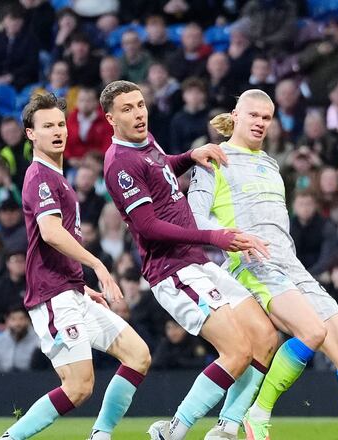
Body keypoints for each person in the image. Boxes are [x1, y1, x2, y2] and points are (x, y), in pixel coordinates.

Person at [192, 89, 338, 440]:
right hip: (251, 262)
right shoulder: (214, 160)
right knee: (311, 331)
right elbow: (194, 220)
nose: (261, 123)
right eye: (253, 115)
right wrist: (230, 239)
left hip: (290, 263)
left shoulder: (270, 163)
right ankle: (258, 415)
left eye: (267, 118)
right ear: (235, 115)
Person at [98, 81, 278, 440]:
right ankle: (173, 431)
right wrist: (214, 237)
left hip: (197, 261)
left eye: (140, 105)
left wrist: (187, 157)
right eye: (127, 109)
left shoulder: (146, 140)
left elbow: (160, 168)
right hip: (172, 270)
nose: (138, 113)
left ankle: (227, 428)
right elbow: (148, 227)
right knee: (238, 350)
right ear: (110, 119)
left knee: (266, 337)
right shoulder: (120, 164)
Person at [0, 93, 151, 440]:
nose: (57, 131)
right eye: (47, 126)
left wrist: (79, 285)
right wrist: (97, 265)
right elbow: (51, 234)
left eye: (59, 124)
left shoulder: (59, 176)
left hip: (70, 291)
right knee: (79, 386)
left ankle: (101, 434)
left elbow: (56, 245)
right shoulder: (39, 176)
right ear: (30, 134)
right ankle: (11, 437)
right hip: (53, 297)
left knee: (138, 355)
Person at [0, 304, 39, 373]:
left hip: (32, 380)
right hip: (3, 380)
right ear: (7, 321)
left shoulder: (38, 341)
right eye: (13, 319)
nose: (18, 323)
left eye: (21, 319)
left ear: (28, 320)